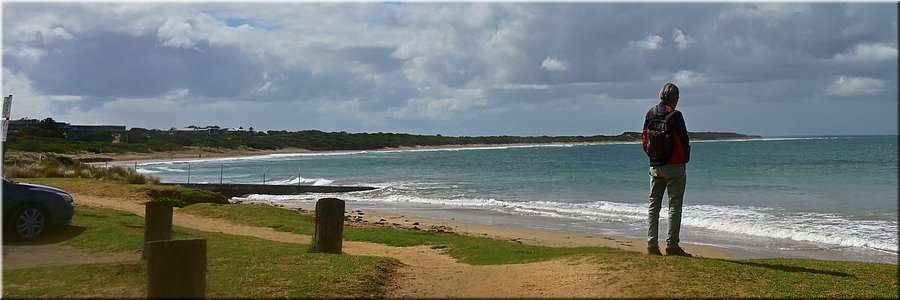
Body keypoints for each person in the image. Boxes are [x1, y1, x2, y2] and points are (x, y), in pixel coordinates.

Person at [641, 82, 692, 257]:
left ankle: (651, 244)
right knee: (674, 206)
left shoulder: (650, 113)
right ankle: (672, 245)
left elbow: (645, 140)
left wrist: (653, 158)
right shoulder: (676, 115)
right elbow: (683, 142)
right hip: (674, 166)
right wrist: (684, 160)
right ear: (674, 99)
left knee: (653, 206)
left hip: (655, 165)